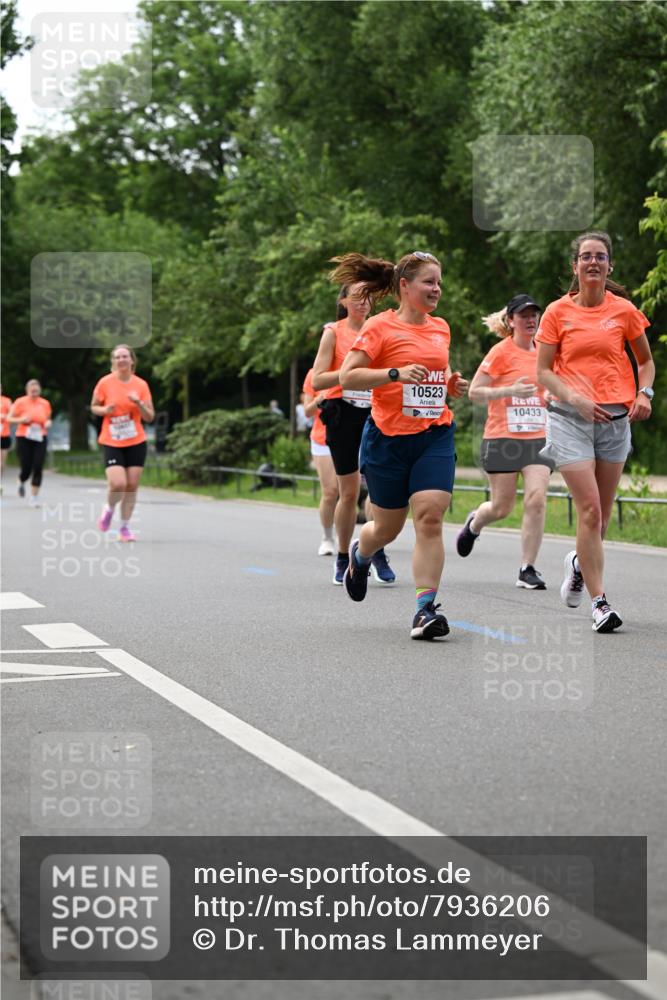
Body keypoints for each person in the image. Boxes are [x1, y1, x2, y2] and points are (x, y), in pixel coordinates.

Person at [333, 250, 468, 640]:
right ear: (405, 287)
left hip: (434, 434)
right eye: (429, 282)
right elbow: (349, 376)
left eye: (439, 282)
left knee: (429, 515)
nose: (436, 289)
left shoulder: (441, 327)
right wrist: (394, 373)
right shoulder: (379, 327)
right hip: (388, 440)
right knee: (386, 529)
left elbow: (434, 376)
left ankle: (425, 610)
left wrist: (448, 385)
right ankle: (361, 555)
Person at [536, 230, 655, 633]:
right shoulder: (556, 313)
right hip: (569, 420)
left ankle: (577, 565)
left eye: (600, 256)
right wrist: (577, 399)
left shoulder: (623, 311)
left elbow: (646, 362)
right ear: (575, 266)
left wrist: (645, 393)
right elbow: (543, 373)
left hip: (616, 422)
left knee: (600, 519)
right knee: (588, 510)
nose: (593, 262)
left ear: (609, 265)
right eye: (585, 256)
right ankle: (600, 603)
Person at [457, 294, 552, 589]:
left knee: (536, 499)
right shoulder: (500, 352)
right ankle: (475, 523)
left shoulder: (547, 352)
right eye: (523, 316)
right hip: (502, 437)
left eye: (534, 314)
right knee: (501, 508)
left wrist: (553, 396)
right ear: (511, 321)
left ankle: (527, 568)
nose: (530, 320)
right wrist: (509, 390)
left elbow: (558, 383)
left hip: (539, 438)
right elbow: (474, 392)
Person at [311, 284, 396, 586]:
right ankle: (343, 556)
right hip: (343, 413)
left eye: (368, 297)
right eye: (356, 297)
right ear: (343, 301)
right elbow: (319, 378)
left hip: (377, 412)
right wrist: (350, 372)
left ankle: (376, 549)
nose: (363, 302)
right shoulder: (333, 332)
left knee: (379, 489)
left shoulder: (381, 328)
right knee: (347, 493)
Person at [91, 344, 155, 541]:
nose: (121, 360)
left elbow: (150, 416)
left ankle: (125, 528)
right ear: (113, 361)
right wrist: (105, 411)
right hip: (112, 440)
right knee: (118, 483)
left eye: (125, 356)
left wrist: (139, 403)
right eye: (117, 357)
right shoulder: (105, 383)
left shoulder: (141, 385)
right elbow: (94, 407)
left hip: (135, 440)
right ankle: (109, 508)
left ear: (132, 360)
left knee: (132, 485)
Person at [303, 368, 338, 555]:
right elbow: (307, 412)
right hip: (322, 439)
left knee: (351, 493)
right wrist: (320, 399)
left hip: (351, 438)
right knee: (331, 491)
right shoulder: (315, 373)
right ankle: (327, 537)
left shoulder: (355, 367)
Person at [7, 379, 52, 506]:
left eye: (37, 391)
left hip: (40, 437)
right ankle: (21, 481)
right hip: (24, 437)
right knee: (26, 467)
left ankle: (34, 496)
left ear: (40, 391)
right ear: (27, 391)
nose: (34, 393)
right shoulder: (20, 402)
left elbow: (48, 419)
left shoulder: (45, 403)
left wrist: (48, 423)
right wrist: (21, 419)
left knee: (38, 466)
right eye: (32, 391)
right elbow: (9, 419)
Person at [0, 385, 12, 481]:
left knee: (2, 463)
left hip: (4, 434)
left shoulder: (7, 401)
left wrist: (5, 416)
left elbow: (13, 415)